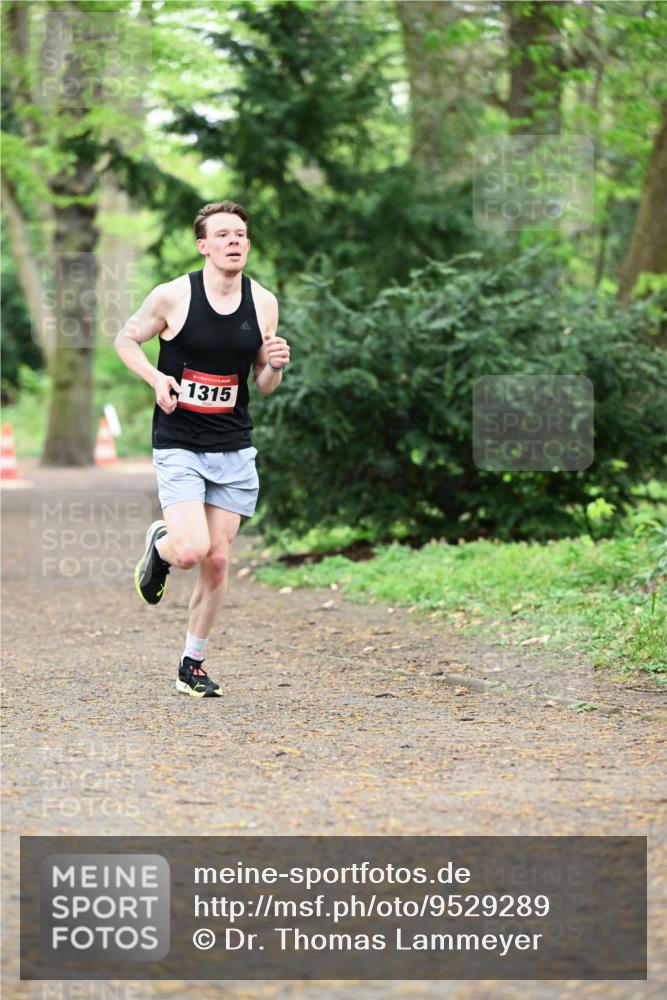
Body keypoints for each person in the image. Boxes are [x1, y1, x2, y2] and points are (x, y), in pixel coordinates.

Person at [114, 200, 290, 697]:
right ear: (203, 246)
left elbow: (263, 383)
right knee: (192, 551)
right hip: (180, 442)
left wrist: (275, 365)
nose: (234, 241)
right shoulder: (172, 296)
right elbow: (126, 340)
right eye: (223, 234)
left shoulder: (263, 302)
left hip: (232, 445)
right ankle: (162, 545)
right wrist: (156, 378)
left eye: (240, 234)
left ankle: (191, 664)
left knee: (219, 559)